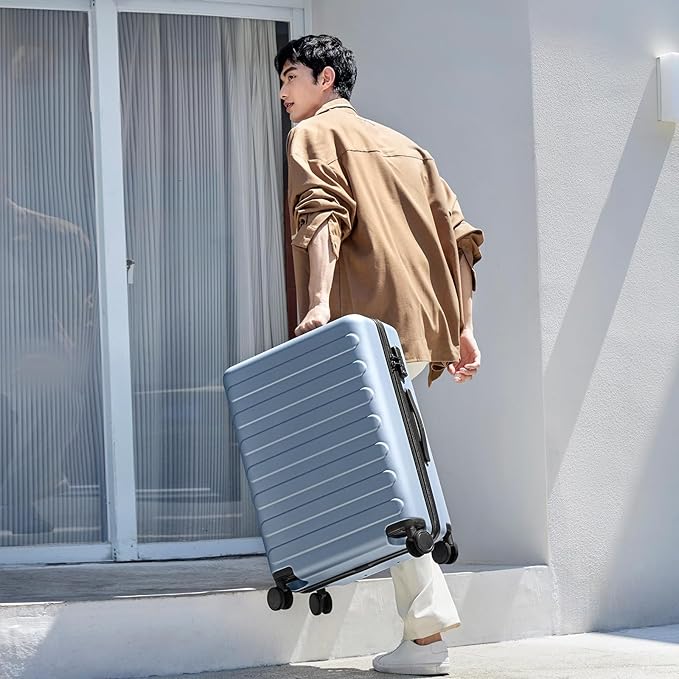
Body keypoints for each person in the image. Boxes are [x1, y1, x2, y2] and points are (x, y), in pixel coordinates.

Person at [275, 35, 484, 676]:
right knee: (384, 471)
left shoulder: (313, 135)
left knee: (383, 479)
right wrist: (465, 329)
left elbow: (322, 215)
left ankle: (425, 639)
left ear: (326, 78)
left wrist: (317, 303)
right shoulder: (408, 147)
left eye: (290, 77)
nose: (282, 93)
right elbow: (459, 239)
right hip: (416, 331)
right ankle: (419, 629)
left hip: (362, 331)